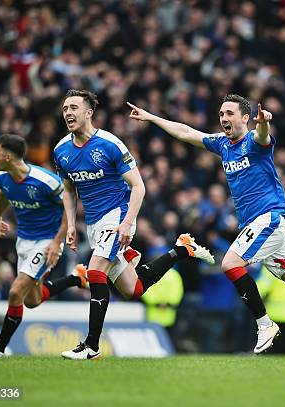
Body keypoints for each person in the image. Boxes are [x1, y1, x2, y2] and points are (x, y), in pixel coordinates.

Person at [127, 94, 285, 359]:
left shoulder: (255, 141)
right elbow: (186, 132)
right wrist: (152, 117)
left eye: (229, 113)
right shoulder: (222, 144)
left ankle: (265, 324)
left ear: (245, 118)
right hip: (258, 226)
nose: (224, 118)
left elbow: (263, 135)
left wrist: (263, 124)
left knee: (230, 264)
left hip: (270, 219)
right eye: (221, 114)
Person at [55, 90, 214, 360]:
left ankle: (91, 345)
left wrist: (127, 224)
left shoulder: (109, 144)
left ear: (88, 112)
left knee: (95, 271)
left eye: (73, 107)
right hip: (94, 224)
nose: (68, 113)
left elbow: (139, 186)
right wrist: (71, 225)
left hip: (117, 215)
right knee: (133, 289)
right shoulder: (61, 150)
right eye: (65, 108)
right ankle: (182, 250)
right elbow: (68, 191)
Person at [0, 134, 89, 359]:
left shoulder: (45, 180)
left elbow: (69, 205)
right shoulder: (2, 178)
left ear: (8, 156)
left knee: (15, 292)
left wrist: (57, 242)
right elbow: (3, 194)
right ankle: (76, 278)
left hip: (47, 242)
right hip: (24, 241)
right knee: (32, 300)